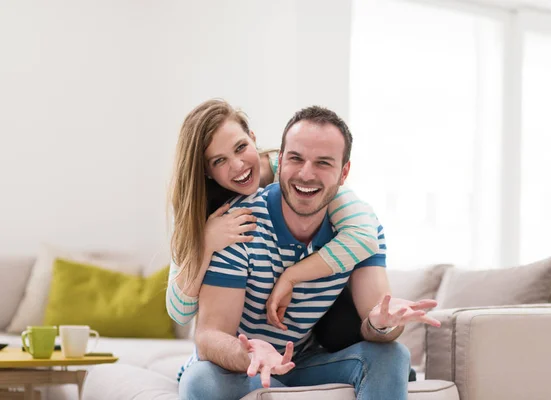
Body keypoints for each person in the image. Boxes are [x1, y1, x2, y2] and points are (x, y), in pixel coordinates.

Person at [177, 105, 441, 400]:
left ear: (344, 173)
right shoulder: (238, 227)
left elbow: (376, 325)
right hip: (245, 368)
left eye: (323, 163)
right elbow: (209, 335)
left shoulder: (360, 232)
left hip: (302, 363)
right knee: (200, 381)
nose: (306, 174)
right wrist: (249, 353)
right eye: (296, 158)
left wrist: (382, 325)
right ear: (279, 161)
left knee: (392, 354)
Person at [166, 99, 380, 331]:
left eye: (240, 147)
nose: (238, 165)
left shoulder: (296, 173)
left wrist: (291, 276)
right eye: (219, 160)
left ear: (253, 138)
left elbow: (365, 237)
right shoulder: (199, 208)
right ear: (206, 170)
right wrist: (206, 244)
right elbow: (180, 311)